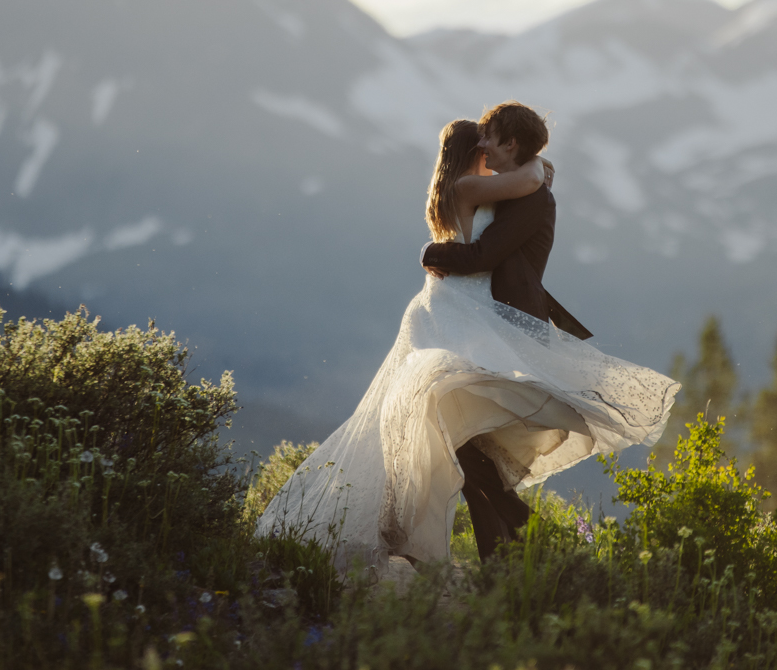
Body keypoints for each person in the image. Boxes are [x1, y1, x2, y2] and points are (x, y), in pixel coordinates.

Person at [256, 101, 678, 570]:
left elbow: (502, 224)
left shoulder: (504, 193)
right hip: (465, 324)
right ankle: (520, 543)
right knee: (463, 436)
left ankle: (510, 549)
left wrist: (433, 248)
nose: (485, 145)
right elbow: (498, 227)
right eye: (479, 141)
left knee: (466, 440)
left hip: (474, 323)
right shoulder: (497, 189)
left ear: (509, 143)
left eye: (491, 137)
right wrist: (435, 249)